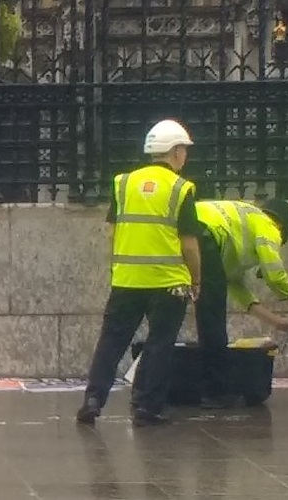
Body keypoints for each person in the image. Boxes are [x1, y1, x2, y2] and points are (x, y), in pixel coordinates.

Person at [76, 118, 202, 427]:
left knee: (111, 342)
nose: (185, 156)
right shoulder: (181, 188)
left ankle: (93, 400)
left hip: (127, 280)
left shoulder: (123, 183)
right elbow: (189, 243)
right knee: (160, 344)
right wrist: (196, 278)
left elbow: (112, 232)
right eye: (183, 150)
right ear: (174, 152)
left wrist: (118, 268)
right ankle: (148, 408)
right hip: (168, 282)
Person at [194, 198, 288, 407]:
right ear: (282, 228)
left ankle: (151, 390)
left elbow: (238, 290)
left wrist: (278, 322)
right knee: (212, 320)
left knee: (175, 310)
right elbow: (275, 275)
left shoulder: (240, 234)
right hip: (205, 234)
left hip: (184, 231)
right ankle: (215, 393)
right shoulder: (268, 225)